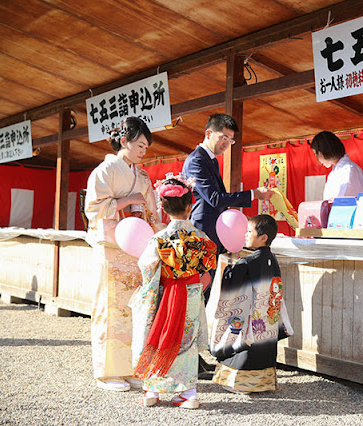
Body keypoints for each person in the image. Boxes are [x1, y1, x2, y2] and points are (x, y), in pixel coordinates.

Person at [84, 116, 164, 392]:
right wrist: (128, 201)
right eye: (140, 145)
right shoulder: (105, 171)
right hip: (111, 249)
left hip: (135, 251)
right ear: (124, 141)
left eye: (145, 146)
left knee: (135, 311)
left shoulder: (141, 175)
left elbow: (153, 210)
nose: (143, 151)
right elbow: (93, 209)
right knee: (110, 309)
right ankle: (106, 373)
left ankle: (132, 367)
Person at [130, 177, 217, 408]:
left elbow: (147, 267)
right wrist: (197, 284)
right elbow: (208, 267)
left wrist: (157, 283)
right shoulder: (201, 238)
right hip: (190, 292)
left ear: (164, 208)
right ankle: (188, 393)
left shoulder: (159, 238)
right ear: (190, 206)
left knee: (158, 336)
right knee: (185, 340)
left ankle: (151, 391)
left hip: (164, 293)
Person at [209, 214, 293, 394]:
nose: (245, 235)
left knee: (242, 343)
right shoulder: (272, 259)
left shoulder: (248, 261)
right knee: (264, 346)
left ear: (263, 238)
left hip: (251, 318)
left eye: (249, 232)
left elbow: (232, 286)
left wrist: (229, 268)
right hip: (268, 317)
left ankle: (241, 383)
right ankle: (264, 383)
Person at [182, 113, 273, 259]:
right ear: (208, 133)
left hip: (214, 231)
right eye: (224, 138)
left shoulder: (210, 159)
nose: (226, 144)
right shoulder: (197, 160)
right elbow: (215, 198)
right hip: (203, 231)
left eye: (230, 140)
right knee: (203, 280)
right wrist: (253, 194)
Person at [310, 131, 363, 200]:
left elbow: (345, 202)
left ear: (325, 151)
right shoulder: (334, 172)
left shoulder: (348, 169)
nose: (318, 159)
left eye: (316, 153)